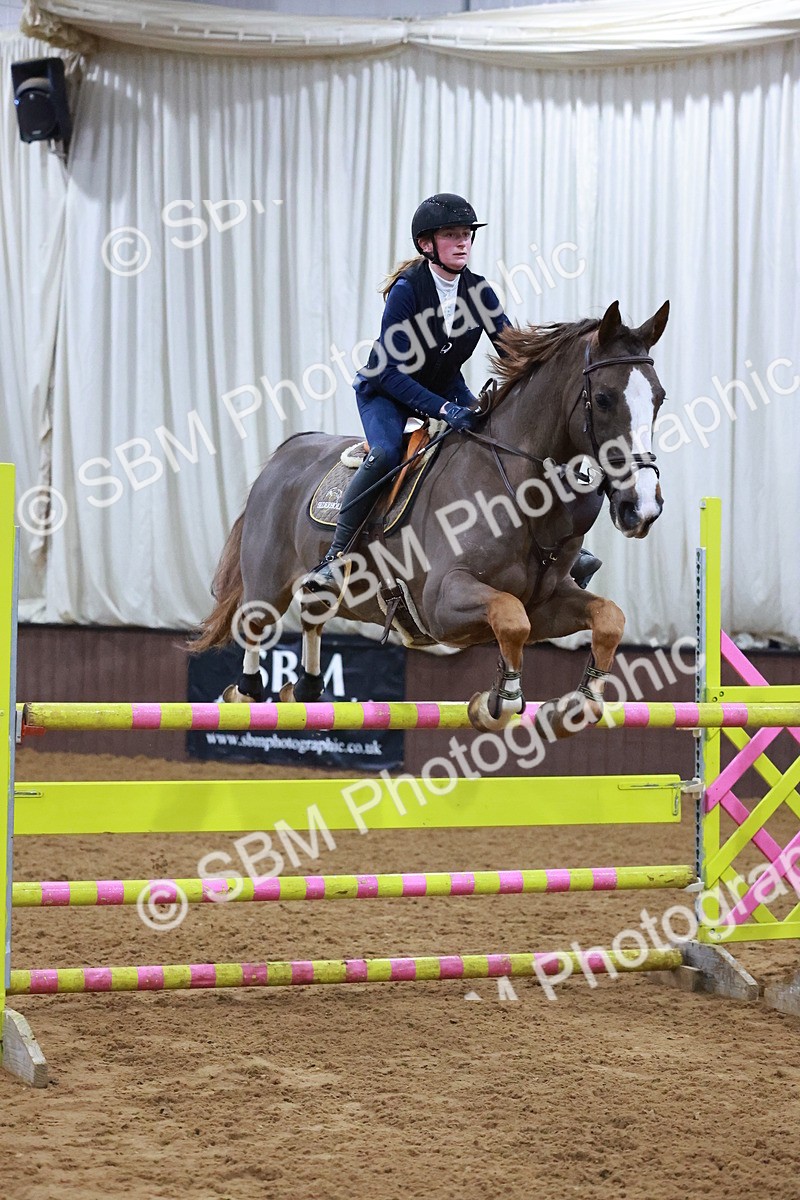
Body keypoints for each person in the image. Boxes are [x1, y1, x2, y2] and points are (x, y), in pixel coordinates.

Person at [304, 193, 600, 591]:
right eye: (452, 235)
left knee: (505, 441)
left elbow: (514, 351)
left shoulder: (478, 291)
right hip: (386, 391)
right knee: (386, 455)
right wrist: (443, 409)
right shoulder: (408, 290)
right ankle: (335, 558)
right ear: (426, 245)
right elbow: (390, 372)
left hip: (444, 387)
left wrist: (559, 370)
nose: (463, 243)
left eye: (467, 235)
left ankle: (560, 542)